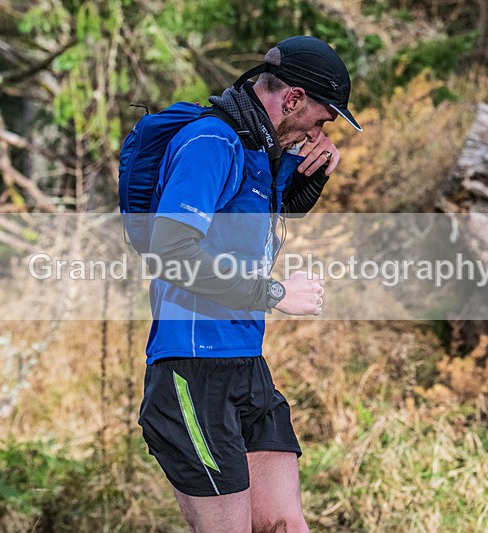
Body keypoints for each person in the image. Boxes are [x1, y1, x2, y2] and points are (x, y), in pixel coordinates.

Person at [137, 36, 362, 532]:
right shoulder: (210, 143)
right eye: (323, 119)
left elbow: (250, 233)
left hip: (246, 362)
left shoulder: (256, 148)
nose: (320, 132)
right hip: (192, 369)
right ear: (294, 99)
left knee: (284, 525)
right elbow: (172, 254)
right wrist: (276, 294)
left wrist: (310, 175)